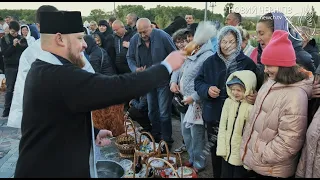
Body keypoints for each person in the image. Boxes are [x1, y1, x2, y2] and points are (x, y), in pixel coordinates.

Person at [14, 11, 185, 178]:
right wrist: (165, 67)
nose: (85, 44)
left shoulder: (43, 68)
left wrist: (92, 131)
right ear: (59, 39)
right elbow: (118, 87)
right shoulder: (59, 74)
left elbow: (56, 118)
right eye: (79, 38)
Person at [240, 30, 313, 178]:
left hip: (272, 169)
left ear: (284, 66)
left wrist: (262, 154)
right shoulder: (272, 82)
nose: (265, 70)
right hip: (258, 163)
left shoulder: (295, 96)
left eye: (269, 66)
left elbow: (290, 141)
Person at [194, 25, 258, 178]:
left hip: (238, 118)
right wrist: (207, 89)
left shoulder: (247, 63)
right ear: (219, 42)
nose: (227, 45)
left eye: (231, 41)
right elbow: (198, 82)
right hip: (214, 115)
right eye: (224, 41)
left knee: (235, 152)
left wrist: (254, 96)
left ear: (238, 43)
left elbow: (256, 86)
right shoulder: (210, 62)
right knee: (216, 152)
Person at [127, 18, 177, 148]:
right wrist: (135, 69)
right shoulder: (134, 40)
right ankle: (156, 136)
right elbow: (129, 57)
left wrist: (169, 72)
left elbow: (174, 54)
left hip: (163, 80)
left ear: (152, 27)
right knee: (152, 111)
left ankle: (166, 140)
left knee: (164, 112)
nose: (143, 35)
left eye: (145, 32)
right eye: (140, 32)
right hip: (148, 81)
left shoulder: (162, 36)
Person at [216, 70, 257, 178]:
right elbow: (222, 126)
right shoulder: (228, 102)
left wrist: (248, 159)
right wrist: (221, 148)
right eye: (232, 89)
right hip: (227, 152)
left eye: (239, 90)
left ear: (248, 89)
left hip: (241, 155)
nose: (235, 92)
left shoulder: (251, 108)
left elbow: (252, 134)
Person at [0, 20, 28, 119]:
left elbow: (26, 50)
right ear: (9, 30)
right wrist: (13, 45)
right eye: (13, 32)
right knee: (10, 88)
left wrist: (21, 43)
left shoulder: (21, 38)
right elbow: (4, 53)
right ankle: (6, 111)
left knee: (21, 88)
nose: (15, 34)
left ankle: (21, 110)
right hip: (10, 67)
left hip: (20, 66)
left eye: (16, 32)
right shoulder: (4, 39)